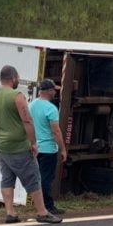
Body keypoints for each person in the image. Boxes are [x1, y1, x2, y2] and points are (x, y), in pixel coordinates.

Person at [0, 65, 62, 224]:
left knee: (7, 178)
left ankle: (10, 213)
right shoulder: (17, 96)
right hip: (19, 146)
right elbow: (27, 120)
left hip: (2, 146)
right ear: (13, 77)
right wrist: (33, 142)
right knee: (33, 177)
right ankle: (42, 212)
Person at [29, 78, 68, 216]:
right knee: (46, 178)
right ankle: (48, 206)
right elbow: (56, 131)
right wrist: (63, 148)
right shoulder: (51, 109)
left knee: (36, 177)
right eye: (54, 90)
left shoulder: (31, 105)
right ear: (49, 91)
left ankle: (38, 204)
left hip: (35, 148)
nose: (55, 93)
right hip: (48, 149)